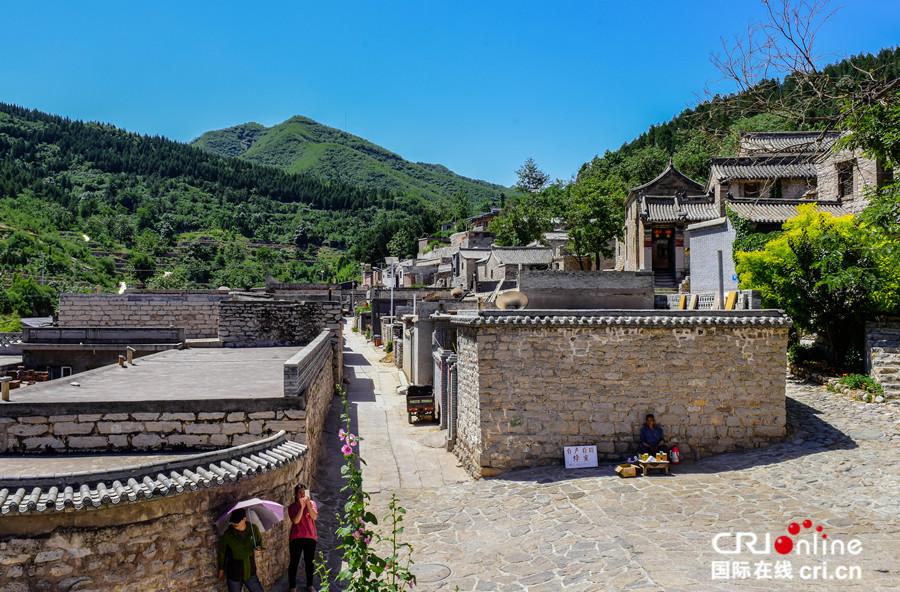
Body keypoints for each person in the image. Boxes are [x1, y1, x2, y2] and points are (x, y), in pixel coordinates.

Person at [217, 508, 265, 592]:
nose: (234, 523)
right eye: (232, 521)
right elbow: (222, 552)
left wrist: (259, 548)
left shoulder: (253, 529)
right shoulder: (228, 534)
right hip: (234, 574)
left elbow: (259, 543)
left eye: (237, 521)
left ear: (244, 519)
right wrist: (221, 569)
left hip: (250, 573)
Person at [288, 483, 318, 592]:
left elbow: (313, 517)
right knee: (294, 563)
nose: (302, 494)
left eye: (304, 492)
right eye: (300, 492)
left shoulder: (312, 504)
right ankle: (292, 587)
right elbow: (295, 521)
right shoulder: (292, 507)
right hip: (296, 538)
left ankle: (310, 585)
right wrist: (301, 507)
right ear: (296, 495)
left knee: (309, 562)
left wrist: (308, 505)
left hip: (310, 537)